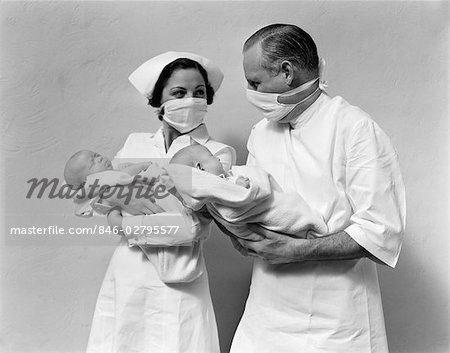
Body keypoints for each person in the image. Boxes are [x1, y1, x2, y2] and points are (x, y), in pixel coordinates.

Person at [223, 24, 406, 353]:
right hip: (265, 318)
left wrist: (294, 250)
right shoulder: (261, 133)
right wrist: (240, 234)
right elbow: (246, 201)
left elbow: (380, 230)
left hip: (335, 323)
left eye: (254, 82)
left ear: (287, 72)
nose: (250, 91)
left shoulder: (354, 128)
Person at [84, 51, 236, 353]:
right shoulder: (135, 143)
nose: (190, 100)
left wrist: (123, 222)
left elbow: (190, 228)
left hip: (180, 278)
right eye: (179, 93)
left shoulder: (217, 154)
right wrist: (115, 204)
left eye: (199, 93)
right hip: (128, 273)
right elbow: (98, 196)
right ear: (158, 100)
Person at [166, 144, 328, 239]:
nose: (218, 159)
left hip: (271, 210)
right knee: (292, 212)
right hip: (266, 211)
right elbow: (237, 201)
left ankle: (309, 225)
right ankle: (310, 225)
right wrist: (243, 188)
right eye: (212, 157)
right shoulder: (218, 191)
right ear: (200, 168)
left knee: (291, 204)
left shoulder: (222, 182)